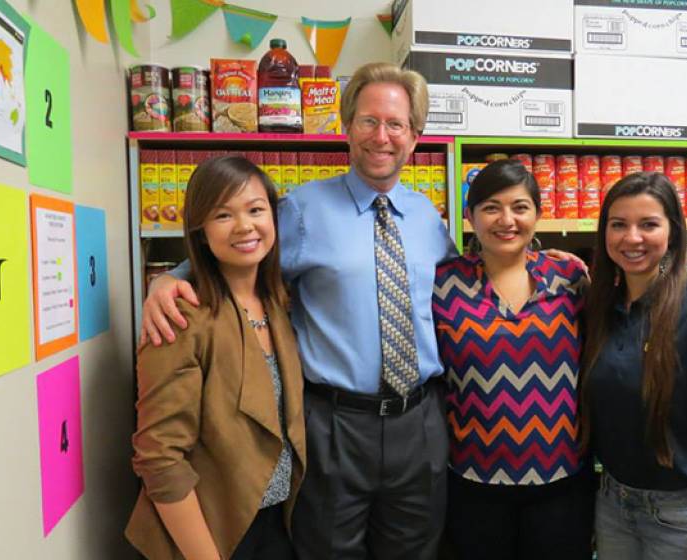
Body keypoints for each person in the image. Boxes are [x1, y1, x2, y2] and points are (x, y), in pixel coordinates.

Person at [141, 63, 457, 560]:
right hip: (333, 424)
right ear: (347, 126)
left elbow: (471, 281)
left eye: (396, 124)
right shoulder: (302, 210)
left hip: (419, 421)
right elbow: (235, 248)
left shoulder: (428, 219)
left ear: (415, 136)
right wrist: (167, 280)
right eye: (369, 121)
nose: (382, 136)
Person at [124, 155, 306, 560]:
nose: (245, 227)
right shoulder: (180, 318)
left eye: (256, 210)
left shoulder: (277, 304)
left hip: (273, 522)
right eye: (223, 215)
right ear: (202, 232)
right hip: (208, 533)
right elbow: (160, 458)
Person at [578, 171, 687, 560]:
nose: (631, 238)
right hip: (613, 504)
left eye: (648, 224)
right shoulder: (603, 309)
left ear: (673, 232)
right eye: (618, 225)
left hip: (682, 514)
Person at [432, 159, 594, 559]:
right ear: (470, 216)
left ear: (538, 215)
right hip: (473, 484)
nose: (507, 220)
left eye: (520, 207)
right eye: (491, 207)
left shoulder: (569, 277)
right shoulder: (442, 282)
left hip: (562, 483)